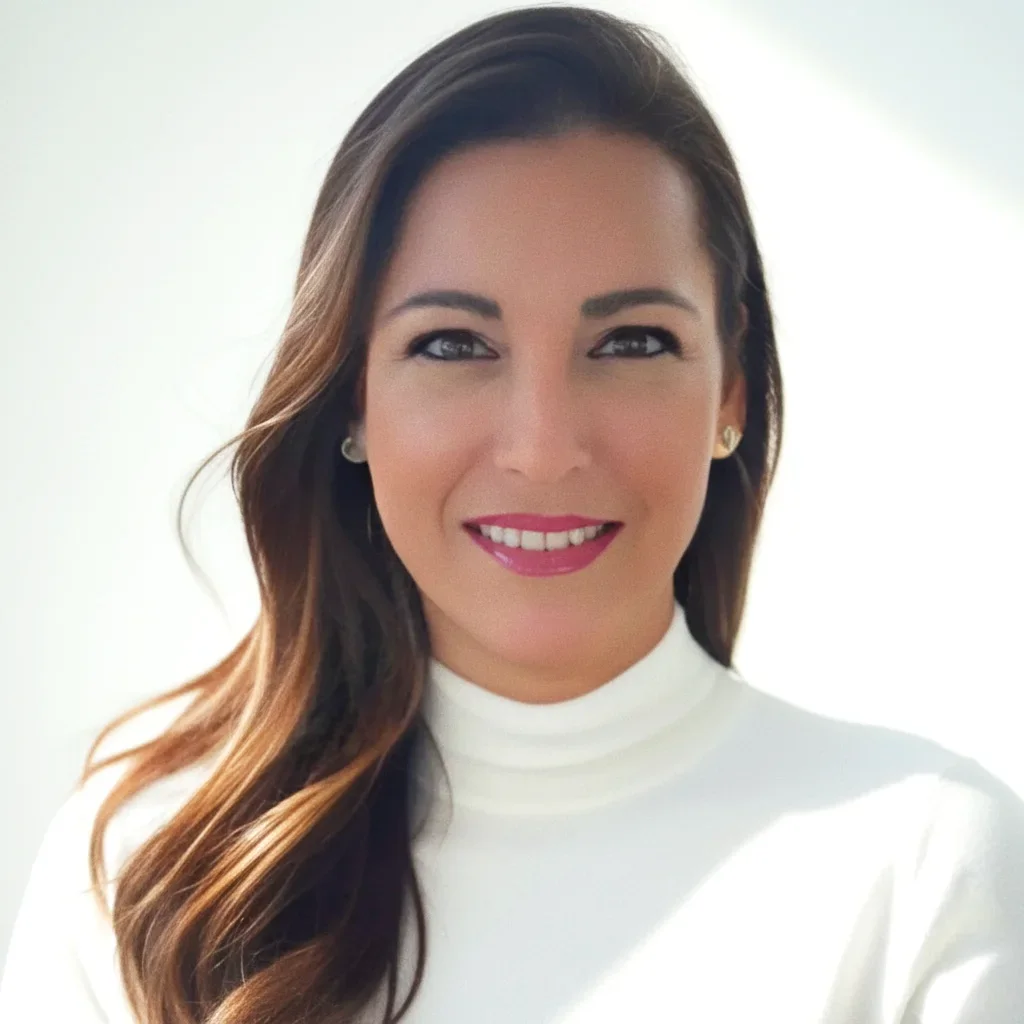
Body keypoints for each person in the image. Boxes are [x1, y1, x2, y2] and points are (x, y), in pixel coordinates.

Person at [2, 5, 1023, 1022]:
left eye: (629, 342)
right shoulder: (151, 868)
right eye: (453, 345)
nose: (542, 448)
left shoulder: (925, 865)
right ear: (351, 391)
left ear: (731, 388)